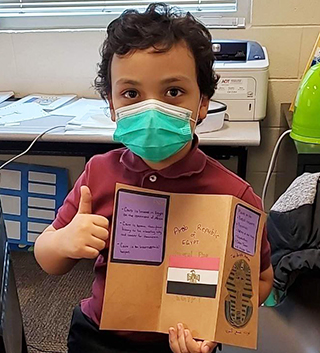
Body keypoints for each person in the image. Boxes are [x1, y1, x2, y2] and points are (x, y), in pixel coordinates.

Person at [34, 3, 274, 353]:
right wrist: (64, 242)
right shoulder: (98, 173)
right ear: (113, 106)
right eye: (131, 93)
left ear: (202, 103)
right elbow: (46, 256)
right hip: (98, 333)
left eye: (173, 92)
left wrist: (215, 327)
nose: (151, 109)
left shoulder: (235, 195)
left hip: (180, 343)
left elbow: (262, 280)